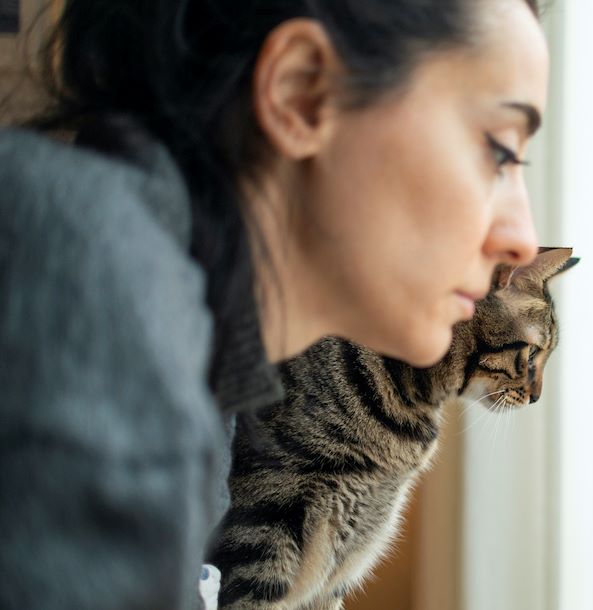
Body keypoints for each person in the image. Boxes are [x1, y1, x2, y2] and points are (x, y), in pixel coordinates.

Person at [0, 0, 547, 608]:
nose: (522, 237)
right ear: (301, 94)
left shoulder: (185, 348)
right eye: (498, 151)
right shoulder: (101, 319)